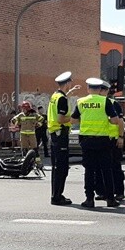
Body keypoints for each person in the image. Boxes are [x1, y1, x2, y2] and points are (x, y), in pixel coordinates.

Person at [71, 77, 121, 209]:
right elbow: (115, 120)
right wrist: (106, 122)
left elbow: (73, 120)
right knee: (106, 170)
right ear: (99, 89)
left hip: (87, 140)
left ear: (88, 89)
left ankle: (89, 199)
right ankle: (110, 199)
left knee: (89, 170)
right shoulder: (105, 101)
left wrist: (85, 120)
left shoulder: (81, 102)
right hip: (103, 141)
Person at [48, 71, 76, 205]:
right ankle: (57, 196)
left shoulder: (55, 96)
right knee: (62, 167)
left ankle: (55, 194)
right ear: (68, 83)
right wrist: (74, 120)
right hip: (61, 135)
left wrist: (70, 93)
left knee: (56, 167)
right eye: (70, 83)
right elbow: (60, 118)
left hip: (55, 135)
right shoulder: (62, 99)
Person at [100, 81, 125, 201]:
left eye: (102, 90)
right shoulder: (97, 104)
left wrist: (120, 137)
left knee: (115, 166)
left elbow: (120, 121)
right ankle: (103, 192)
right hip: (103, 139)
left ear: (106, 91)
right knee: (102, 167)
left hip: (114, 140)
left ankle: (119, 191)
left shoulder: (113, 103)